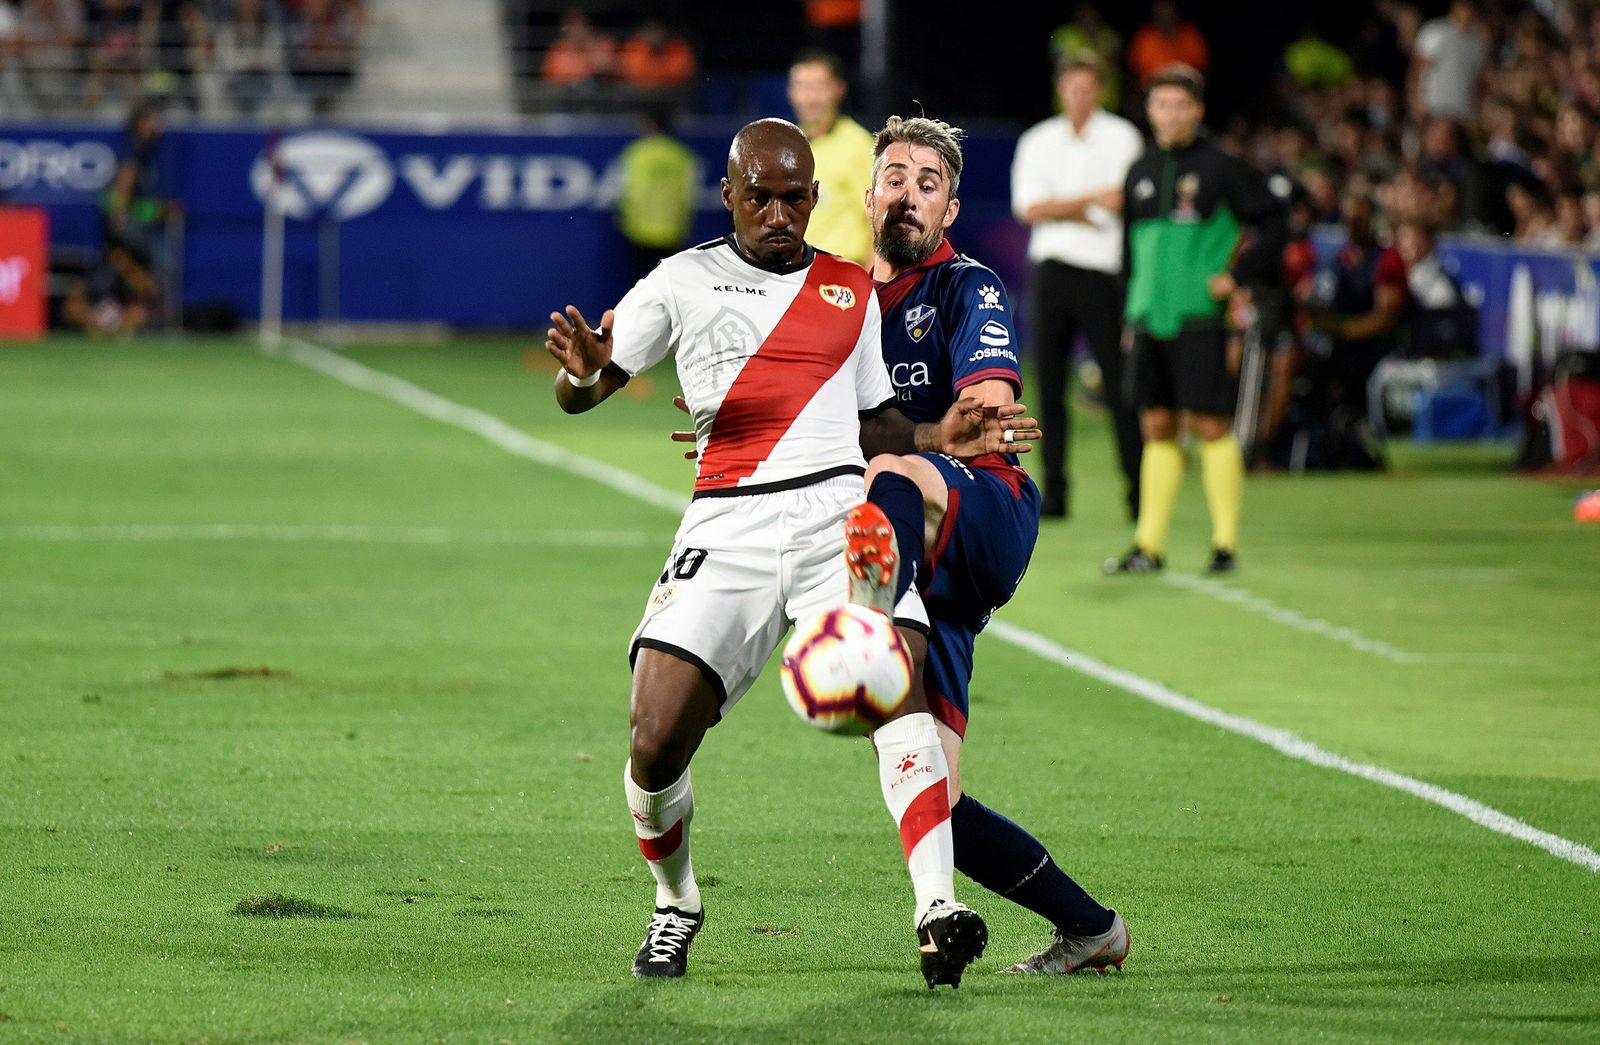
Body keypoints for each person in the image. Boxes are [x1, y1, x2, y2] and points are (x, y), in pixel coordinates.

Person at [544, 118, 1031, 987]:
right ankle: (676, 900)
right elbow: (587, 387)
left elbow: (879, 420)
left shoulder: (849, 289)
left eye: (793, 197)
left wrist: (936, 431)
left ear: (815, 199)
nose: (776, 211)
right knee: (654, 741)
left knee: (897, 676)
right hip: (723, 525)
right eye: (758, 195)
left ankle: (937, 907)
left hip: (834, 518)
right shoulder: (680, 281)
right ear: (729, 194)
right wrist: (583, 372)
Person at [855, 113, 1131, 974]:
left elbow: (986, 413)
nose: (908, 194)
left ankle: (864, 633)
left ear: (951, 207)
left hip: (984, 512)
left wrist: (949, 429)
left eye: (927, 184)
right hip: (924, 566)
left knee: (892, 477)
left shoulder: (967, 288)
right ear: (869, 195)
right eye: (895, 177)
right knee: (934, 790)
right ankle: (1093, 929)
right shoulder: (838, 299)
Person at [1106, 65, 1286, 575]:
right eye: (1161, 105)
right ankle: (1148, 545)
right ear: (1150, 111)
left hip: (1199, 317)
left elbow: (1275, 221)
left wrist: (1239, 275)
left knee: (1209, 424)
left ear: (1197, 111)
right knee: (1157, 424)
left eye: (1180, 105)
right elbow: (1128, 250)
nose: (1169, 114)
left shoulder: (1223, 168)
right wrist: (1127, 309)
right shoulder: (1138, 170)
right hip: (1147, 318)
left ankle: (1225, 544)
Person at [1012, 51, 1145, 520]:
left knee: (1119, 386)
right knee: (1048, 388)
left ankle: (1138, 492)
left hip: (1103, 274)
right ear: (1060, 89)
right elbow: (1029, 208)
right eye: (1072, 87)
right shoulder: (1038, 140)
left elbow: (1125, 202)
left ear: (1100, 90)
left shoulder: (1123, 137)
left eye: (1088, 87)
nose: (1080, 96)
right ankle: (1056, 492)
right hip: (1051, 272)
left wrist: (1061, 206)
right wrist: (1090, 203)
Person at [787, 50, 874, 266]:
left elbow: (880, 222)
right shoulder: (788, 146)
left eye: (818, 88)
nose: (809, 98)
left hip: (844, 278)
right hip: (797, 276)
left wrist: (875, 286)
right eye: (801, 87)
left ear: (838, 89)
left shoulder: (860, 147)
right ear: (790, 92)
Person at [614, 110, 699, 282]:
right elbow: (690, 194)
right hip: (673, 231)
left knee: (641, 286)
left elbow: (625, 189)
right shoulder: (681, 155)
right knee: (670, 285)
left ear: (650, 125)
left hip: (640, 230)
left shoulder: (636, 153)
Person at [1127, 1, 1208, 91]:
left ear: (1176, 13)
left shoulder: (1190, 35)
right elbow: (1134, 71)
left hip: (1186, 90)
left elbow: (1202, 69)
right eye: (1161, 12)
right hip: (1152, 92)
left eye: (1168, 12)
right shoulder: (1144, 37)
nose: (1165, 16)